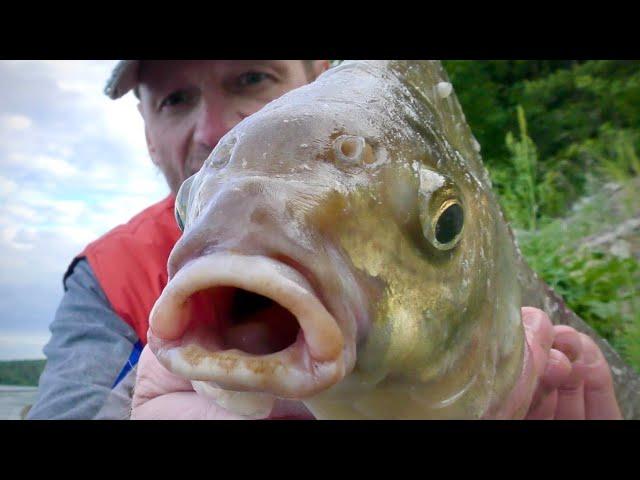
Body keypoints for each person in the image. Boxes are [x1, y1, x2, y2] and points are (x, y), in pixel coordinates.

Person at [28, 60, 622, 420]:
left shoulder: (421, 189)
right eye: (176, 99)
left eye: (251, 77)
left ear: (318, 75)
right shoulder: (105, 274)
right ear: (148, 133)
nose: (214, 130)